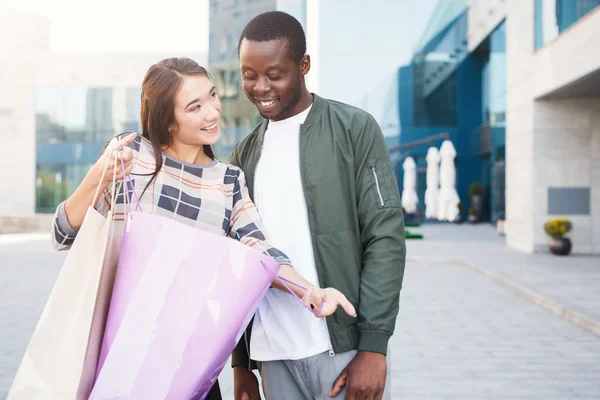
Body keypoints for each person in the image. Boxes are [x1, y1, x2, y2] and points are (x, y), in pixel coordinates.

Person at [50, 57, 356, 400]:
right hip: (118, 354)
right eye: (195, 107)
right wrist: (96, 178)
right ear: (167, 120)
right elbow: (63, 234)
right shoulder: (132, 155)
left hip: (187, 361)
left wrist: (311, 293)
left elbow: (261, 249)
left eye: (212, 97)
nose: (212, 112)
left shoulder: (227, 180)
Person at [230, 11, 406, 400]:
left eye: (274, 74)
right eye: (249, 74)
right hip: (272, 355)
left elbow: (385, 237)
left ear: (304, 65)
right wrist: (242, 365)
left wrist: (374, 347)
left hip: (343, 350)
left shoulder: (354, 129)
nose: (260, 87)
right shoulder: (244, 153)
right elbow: (240, 258)